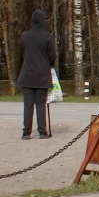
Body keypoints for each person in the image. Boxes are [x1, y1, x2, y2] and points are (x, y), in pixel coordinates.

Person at [15, 9, 56, 140]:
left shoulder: (25, 36)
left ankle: (26, 132)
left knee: (28, 104)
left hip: (27, 74)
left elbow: (21, 54)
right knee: (40, 104)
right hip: (42, 75)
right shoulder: (47, 37)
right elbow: (52, 56)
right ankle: (42, 131)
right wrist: (48, 65)